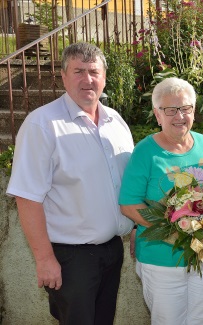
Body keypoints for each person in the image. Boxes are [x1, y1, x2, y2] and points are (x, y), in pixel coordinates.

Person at [6, 42, 135, 324]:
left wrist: (136, 227)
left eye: (93, 71)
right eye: (78, 71)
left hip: (113, 251)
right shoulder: (43, 124)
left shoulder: (116, 122)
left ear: (104, 77)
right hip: (71, 259)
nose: (87, 80)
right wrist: (44, 259)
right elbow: (27, 197)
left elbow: (128, 185)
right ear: (63, 77)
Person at [119, 77, 203, 325]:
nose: (179, 116)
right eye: (170, 110)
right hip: (162, 259)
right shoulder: (146, 151)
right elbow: (128, 204)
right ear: (157, 115)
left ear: (194, 111)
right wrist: (177, 234)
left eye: (186, 108)